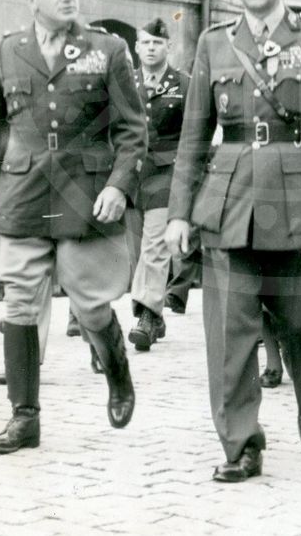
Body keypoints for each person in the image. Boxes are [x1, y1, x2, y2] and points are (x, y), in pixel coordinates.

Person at [165, 0, 301, 482]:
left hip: (300, 202)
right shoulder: (213, 44)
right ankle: (241, 444)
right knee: (229, 334)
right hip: (228, 203)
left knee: (300, 324)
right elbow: (193, 137)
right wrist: (180, 211)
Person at [0, 0, 147, 454]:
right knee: (19, 302)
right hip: (22, 194)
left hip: (85, 195)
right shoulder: (6, 50)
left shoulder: (107, 50)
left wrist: (118, 185)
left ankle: (116, 370)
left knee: (90, 305)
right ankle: (25, 419)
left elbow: (133, 130)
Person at [128, 18, 190, 352]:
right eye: (146, 42)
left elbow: (196, 134)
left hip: (167, 173)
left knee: (154, 245)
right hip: (130, 174)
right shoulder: (125, 82)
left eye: (157, 43)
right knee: (133, 248)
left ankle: (147, 316)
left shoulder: (183, 83)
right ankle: (154, 313)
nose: (151, 48)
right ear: (137, 47)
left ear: (169, 47)